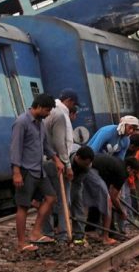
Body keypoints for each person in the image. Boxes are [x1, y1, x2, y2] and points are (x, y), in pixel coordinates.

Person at [10, 94, 65, 252]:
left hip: (39, 170)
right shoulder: (22, 123)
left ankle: (35, 232)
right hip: (25, 170)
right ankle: (21, 243)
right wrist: (16, 172)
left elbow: (45, 145)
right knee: (23, 207)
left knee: (51, 197)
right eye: (47, 110)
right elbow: (15, 148)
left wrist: (56, 160)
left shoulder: (40, 124)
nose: (48, 114)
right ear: (39, 107)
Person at [42, 89, 79, 241]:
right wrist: (67, 165)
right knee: (64, 200)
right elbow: (60, 143)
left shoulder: (51, 112)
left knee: (48, 198)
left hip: (45, 160)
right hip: (57, 162)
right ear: (69, 101)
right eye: (74, 104)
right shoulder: (60, 115)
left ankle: (48, 232)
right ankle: (64, 233)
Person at [83, 154, 139, 244]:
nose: (133, 175)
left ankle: (91, 229)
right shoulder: (122, 173)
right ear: (129, 168)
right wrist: (121, 212)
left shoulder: (119, 164)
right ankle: (106, 237)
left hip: (91, 169)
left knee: (99, 200)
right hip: (91, 170)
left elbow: (112, 191)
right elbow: (113, 197)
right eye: (134, 172)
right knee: (107, 202)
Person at [67, 146, 95, 244]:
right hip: (61, 177)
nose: (87, 165)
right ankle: (60, 232)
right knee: (63, 204)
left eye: (88, 164)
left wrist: (71, 199)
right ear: (77, 158)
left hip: (76, 181)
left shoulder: (87, 166)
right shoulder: (67, 158)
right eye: (85, 163)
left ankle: (79, 234)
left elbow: (76, 184)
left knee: (77, 204)